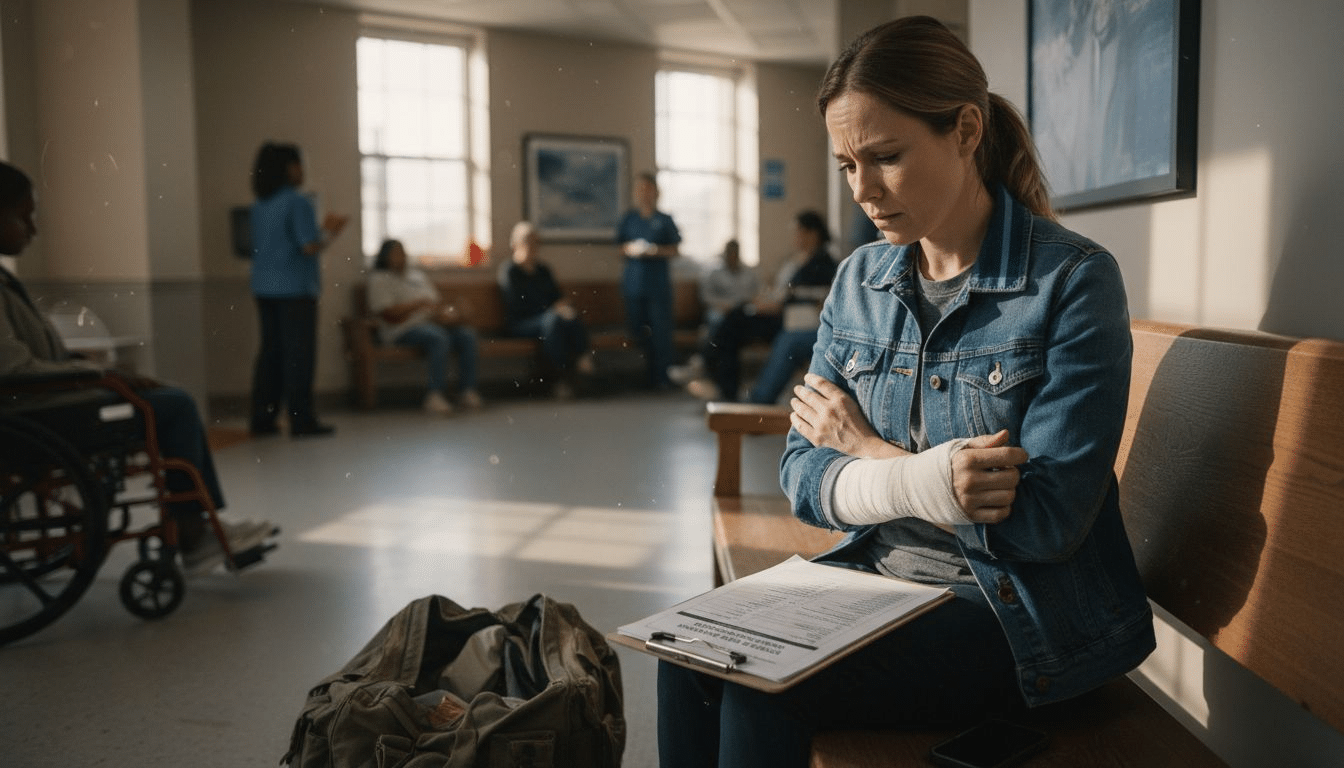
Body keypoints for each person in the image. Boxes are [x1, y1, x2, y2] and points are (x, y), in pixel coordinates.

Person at [656, 17, 1155, 768]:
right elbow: (800, 474)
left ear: (966, 131)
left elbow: (1047, 523)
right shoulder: (860, 279)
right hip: (877, 578)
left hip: (1015, 614)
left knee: (763, 688)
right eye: (847, 164)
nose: (862, 190)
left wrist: (870, 455)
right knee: (688, 648)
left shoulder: (1072, 280)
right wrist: (927, 480)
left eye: (886, 157)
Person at [0, 160, 276, 573]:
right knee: (174, 406)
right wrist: (97, 375)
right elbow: (13, 371)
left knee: (163, 395)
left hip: (43, 405)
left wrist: (85, 369)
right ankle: (192, 531)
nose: (33, 229)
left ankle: (197, 523)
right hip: (34, 416)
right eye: (24, 217)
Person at [248, 142, 348, 438]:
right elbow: (309, 246)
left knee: (270, 354)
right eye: (298, 164)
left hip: (263, 287)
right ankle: (301, 420)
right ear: (288, 168)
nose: (302, 170)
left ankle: (262, 419)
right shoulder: (297, 202)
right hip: (295, 289)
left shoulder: (259, 205)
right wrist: (331, 230)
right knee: (298, 356)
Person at [684, 211, 837, 403]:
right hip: (778, 312)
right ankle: (722, 383)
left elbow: (807, 296)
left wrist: (774, 303)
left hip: (790, 318)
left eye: (798, 232)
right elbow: (783, 291)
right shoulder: (797, 259)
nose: (794, 237)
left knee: (734, 320)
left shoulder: (823, 264)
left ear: (812, 234)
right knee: (733, 320)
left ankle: (711, 370)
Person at [367, 239, 483, 415]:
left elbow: (436, 305)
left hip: (432, 324)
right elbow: (387, 313)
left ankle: (467, 390)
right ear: (385, 256)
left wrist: (454, 315)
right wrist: (416, 305)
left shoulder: (417, 276)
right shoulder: (380, 279)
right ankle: (435, 395)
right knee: (438, 338)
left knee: (466, 335)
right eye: (396, 253)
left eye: (402, 252)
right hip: (401, 330)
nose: (401, 257)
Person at [498, 221, 593, 400]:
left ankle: (582, 358)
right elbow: (517, 305)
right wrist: (552, 310)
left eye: (536, 242)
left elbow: (557, 296)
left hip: (548, 321)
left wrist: (562, 307)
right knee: (554, 321)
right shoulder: (510, 271)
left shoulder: (543, 270)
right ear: (516, 244)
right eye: (528, 241)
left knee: (568, 315)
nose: (533, 246)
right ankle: (563, 378)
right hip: (521, 323)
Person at [616, 172, 681, 389]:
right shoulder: (629, 219)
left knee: (660, 334)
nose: (644, 194)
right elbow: (620, 247)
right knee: (638, 331)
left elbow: (675, 250)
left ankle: (661, 380)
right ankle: (644, 378)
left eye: (648, 189)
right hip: (634, 287)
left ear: (656, 192)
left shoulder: (665, 220)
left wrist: (654, 251)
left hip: (658, 288)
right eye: (640, 189)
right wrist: (632, 249)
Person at [668, 239, 759, 387]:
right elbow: (706, 297)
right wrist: (723, 305)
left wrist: (742, 304)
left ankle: (703, 362)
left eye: (735, 253)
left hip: (742, 312)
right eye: (730, 253)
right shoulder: (714, 272)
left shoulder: (748, 273)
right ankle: (706, 363)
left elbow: (755, 295)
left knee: (739, 325)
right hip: (720, 310)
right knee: (717, 322)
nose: (732, 256)